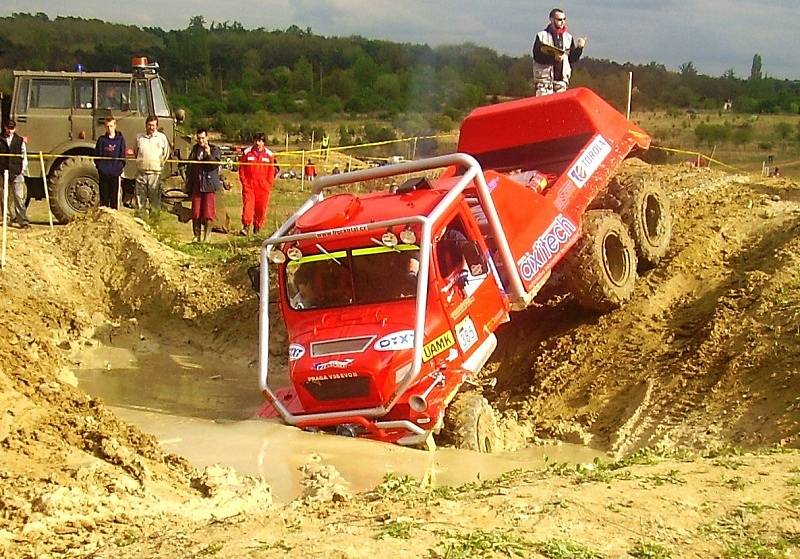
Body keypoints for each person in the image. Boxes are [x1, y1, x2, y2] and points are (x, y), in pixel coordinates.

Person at [532, 8, 587, 96]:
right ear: (551, 20)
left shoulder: (568, 37)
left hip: (561, 83)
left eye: (564, 19)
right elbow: (537, 56)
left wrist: (580, 48)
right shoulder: (542, 36)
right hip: (544, 83)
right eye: (559, 19)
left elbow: (572, 59)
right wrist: (553, 58)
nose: (563, 22)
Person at [185, 128, 222, 242]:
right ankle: (196, 236)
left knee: (208, 212)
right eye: (199, 138)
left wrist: (208, 153)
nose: (201, 140)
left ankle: (207, 237)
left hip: (209, 184)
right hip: (197, 183)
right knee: (196, 212)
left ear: (207, 138)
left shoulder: (215, 149)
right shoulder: (195, 149)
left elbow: (213, 166)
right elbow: (190, 166)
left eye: (203, 138)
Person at [238, 132, 277, 236]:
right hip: (249, 185)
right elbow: (241, 169)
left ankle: (257, 229)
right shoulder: (247, 153)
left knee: (261, 208)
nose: (257, 143)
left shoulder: (269, 155)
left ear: (263, 142)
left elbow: (271, 171)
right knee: (248, 206)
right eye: (256, 140)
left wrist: (268, 184)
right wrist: (244, 182)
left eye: (260, 141)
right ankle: (246, 227)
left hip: (263, 187)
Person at [134, 115, 170, 220]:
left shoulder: (162, 138)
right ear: (146, 125)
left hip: (155, 174)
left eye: (153, 125)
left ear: (157, 126)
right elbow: (136, 152)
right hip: (141, 173)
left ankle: (154, 224)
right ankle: (139, 223)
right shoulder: (139, 137)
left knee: (155, 201)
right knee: (140, 200)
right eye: (149, 125)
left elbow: (166, 154)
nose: (151, 127)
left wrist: (159, 164)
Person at [0, 119, 29, 229]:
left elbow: (24, 155)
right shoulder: (0, 139)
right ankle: (6, 218)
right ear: (5, 127)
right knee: (3, 196)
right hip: (2, 172)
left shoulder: (19, 140)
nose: (10, 131)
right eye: (9, 128)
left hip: (17, 171)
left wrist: (22, 169)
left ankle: (23, 220)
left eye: (12, 128)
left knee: (18, 196)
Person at [94, 115, 126, 209]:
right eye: (107, 126)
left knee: (114, 199)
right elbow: (97, 156)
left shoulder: (120, 140)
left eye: (111, 126)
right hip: (103, 173)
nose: (109, 128)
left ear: (115, 125)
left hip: (115, 173)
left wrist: (119, 168)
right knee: (104, 198)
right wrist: (100, 168)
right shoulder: (101, 140)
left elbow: (122, 155)